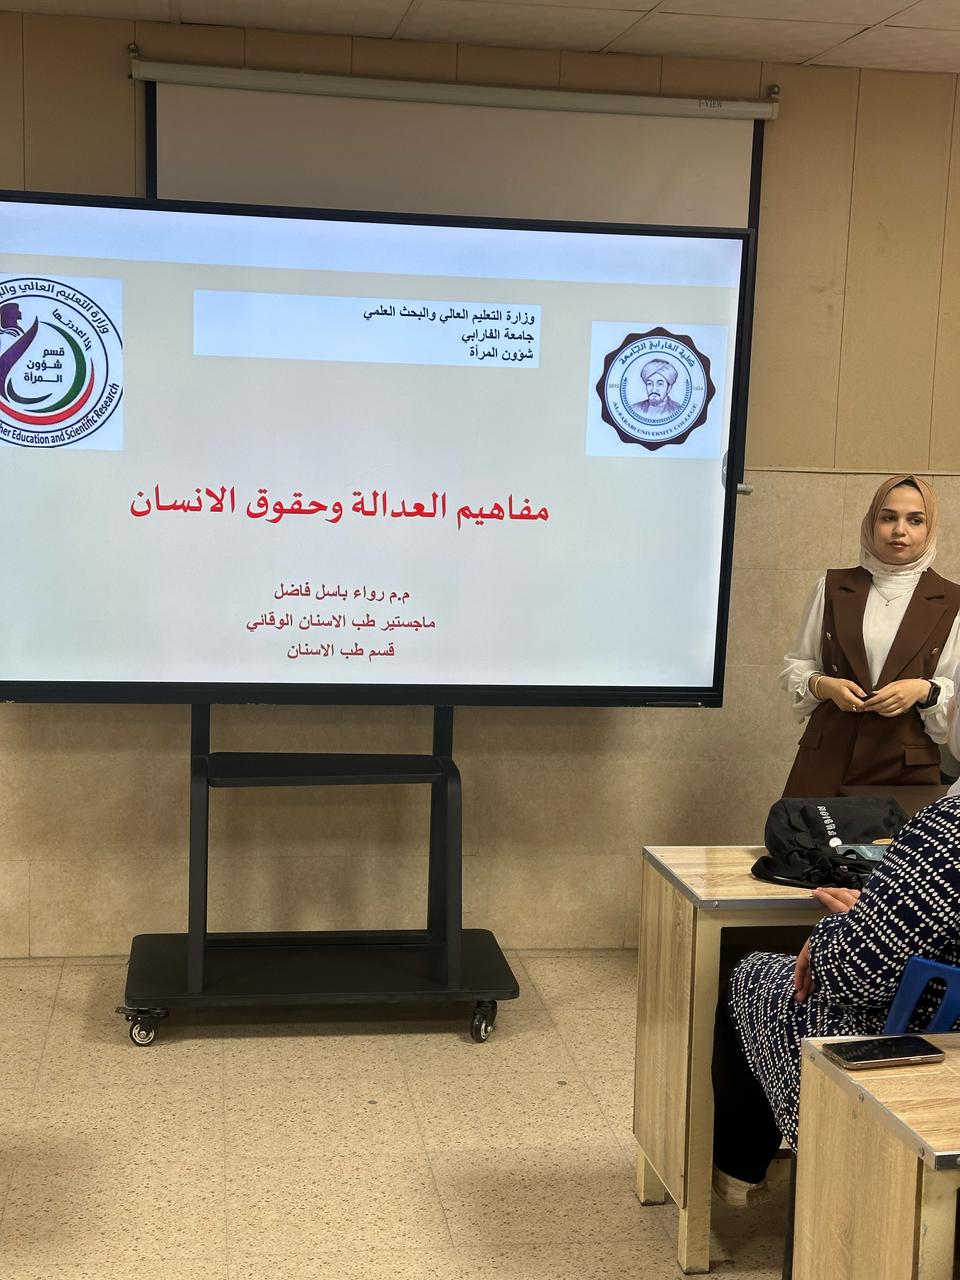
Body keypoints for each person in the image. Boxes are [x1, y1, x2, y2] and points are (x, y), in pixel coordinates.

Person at [712, 792, 960, 1201]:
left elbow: (858, 978)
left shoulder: (950, 826)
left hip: (921, 1061)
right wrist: (879, 913)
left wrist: (840, 927)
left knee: (752, 975)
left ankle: (739, 1172)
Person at [780, 474, 960, 797]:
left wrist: (923, 689)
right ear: (871, 522)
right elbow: (798, 665)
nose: (899, 530)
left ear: (930, 528)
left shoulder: (952, 601)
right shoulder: (831, 588)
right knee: (808, 832)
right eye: (888, 517)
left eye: (915, 520)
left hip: (904, 768)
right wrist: (824, 685)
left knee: (896, 834)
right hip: (826, 758)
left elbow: (955, 692)